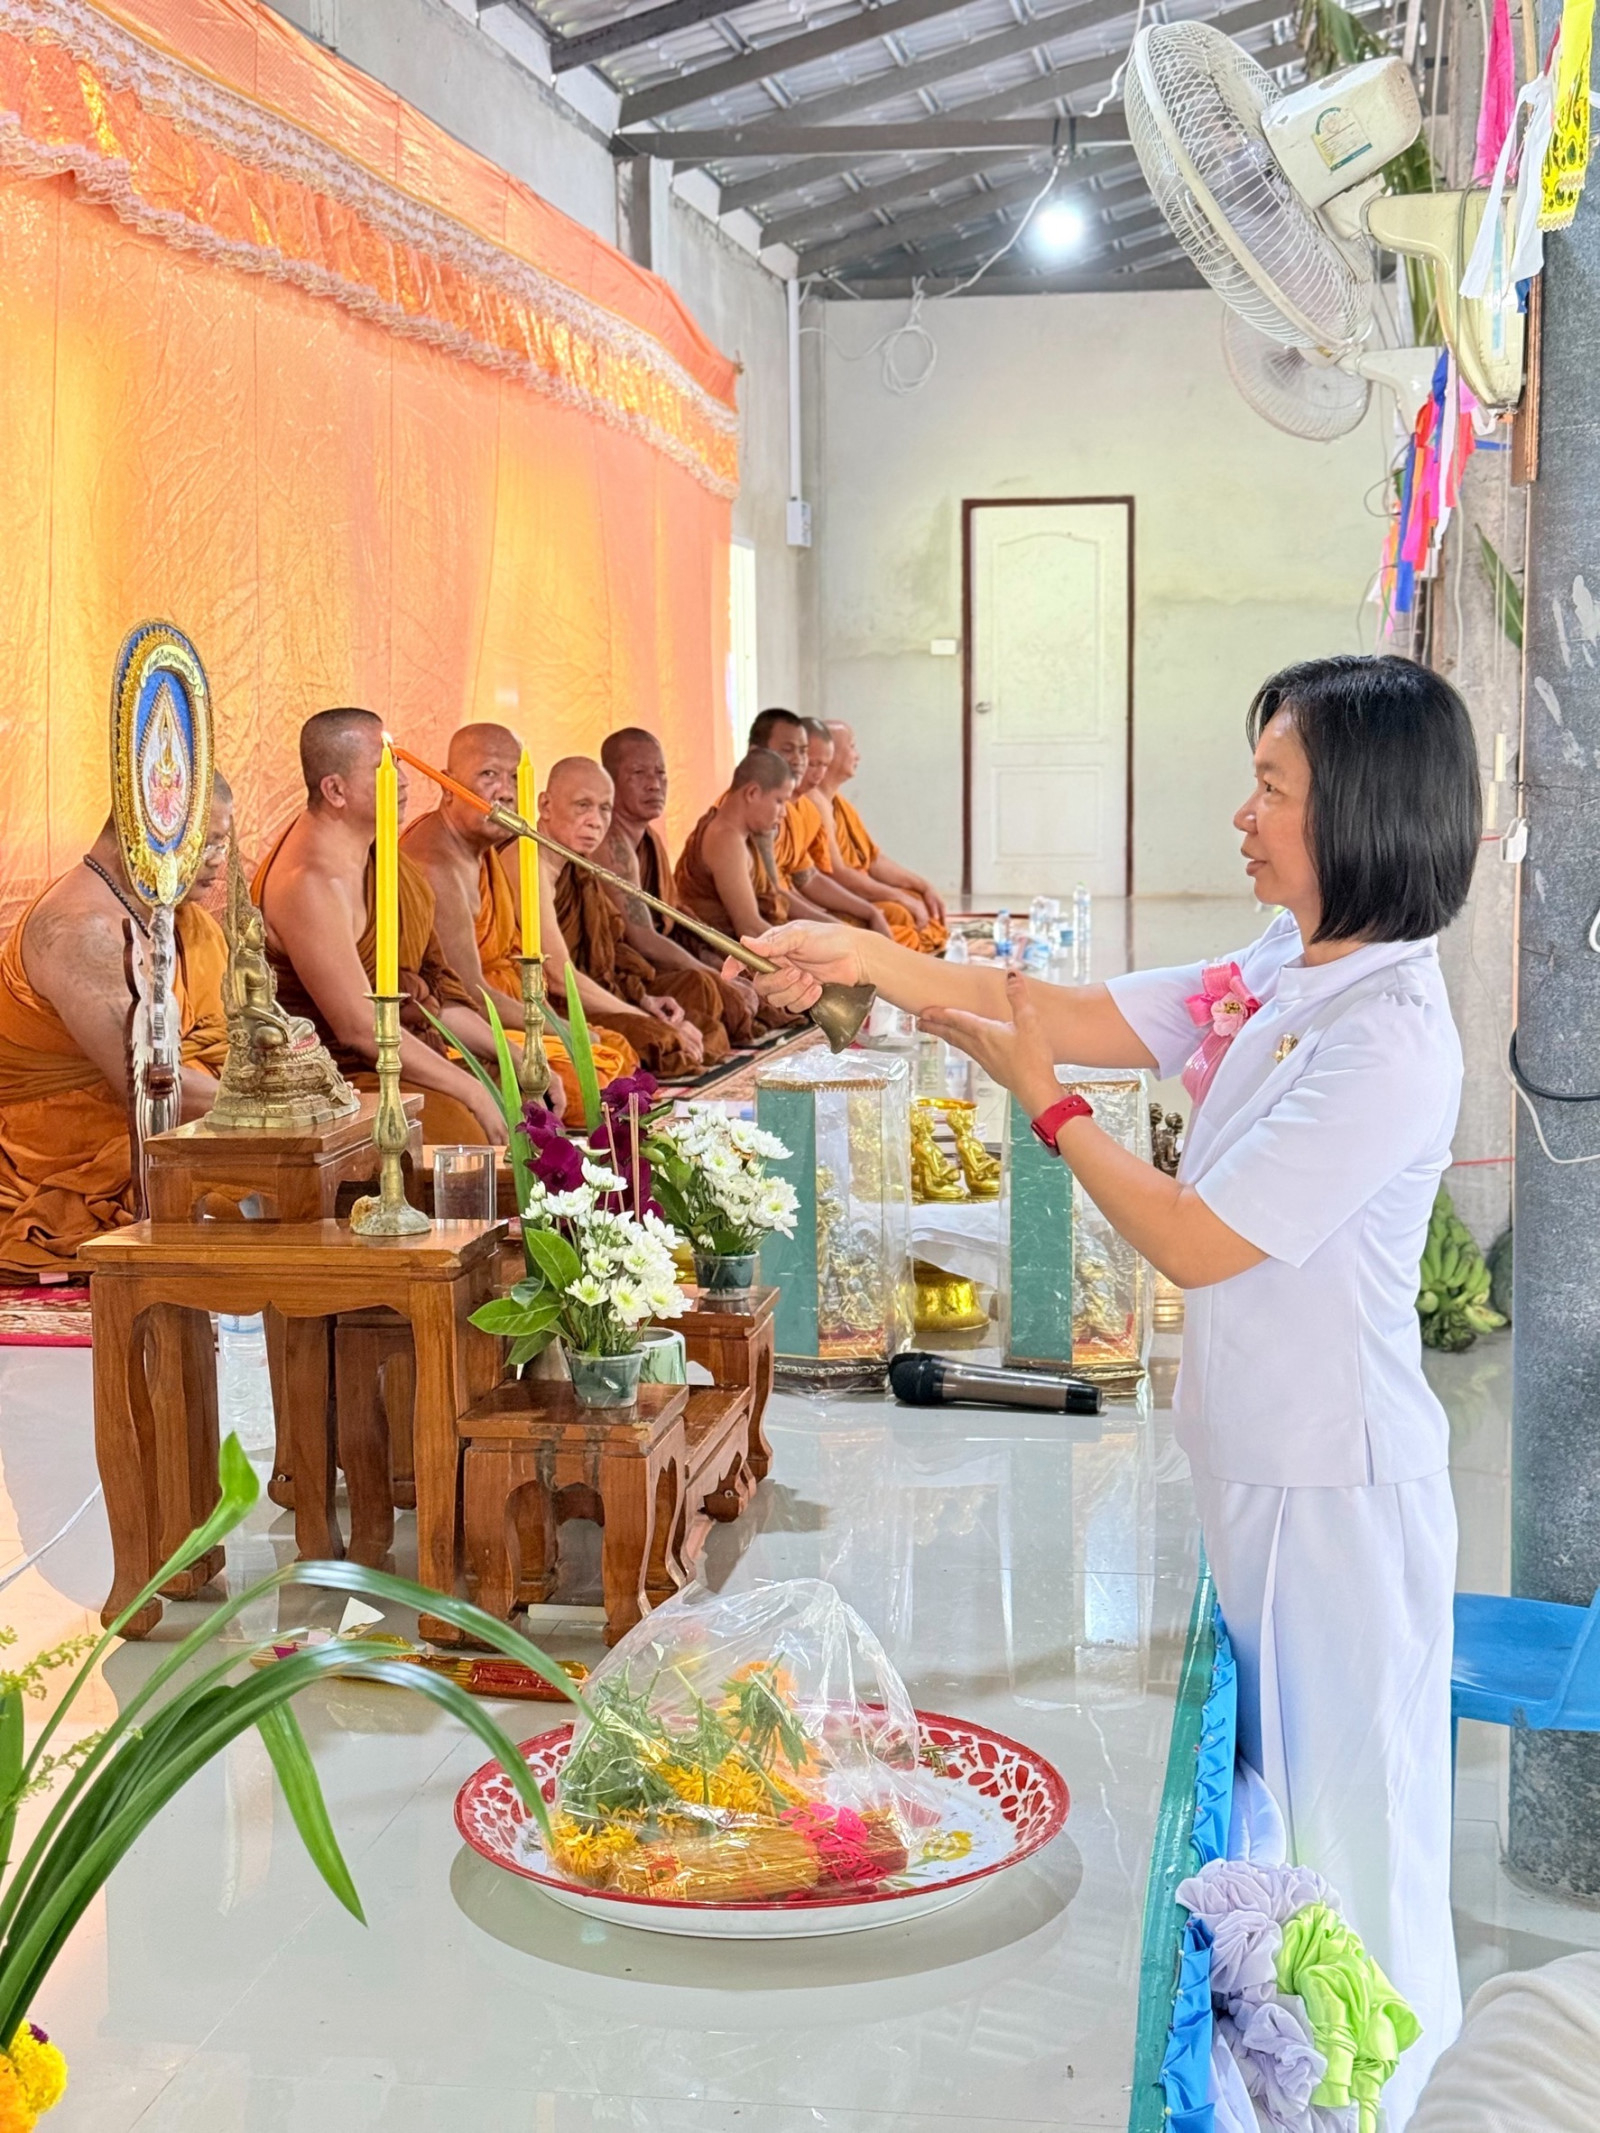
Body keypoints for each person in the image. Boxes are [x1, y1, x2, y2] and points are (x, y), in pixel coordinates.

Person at [741, 654, 1475, 2126]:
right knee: (1280, 1800)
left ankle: (1391, 2091)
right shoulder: (1286, 969)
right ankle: (1306, 2073)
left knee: (1355, 1816)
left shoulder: (1386, 1035)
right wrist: (871, 966)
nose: (1243, 817)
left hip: (1338, 1481)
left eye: (1275, 790)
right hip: (1265, 1462)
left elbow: (1198, 1241)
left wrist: (1049, 1103)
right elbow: (1062, 1007)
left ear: (1370, 816)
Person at [0, 776, 232, 1278]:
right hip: (76, 1161)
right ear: (146, 831)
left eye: (223, 842)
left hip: (191, 1119)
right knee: (259, 1209)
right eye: (208, 842)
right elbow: (152, 1089)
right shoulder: (82, 931)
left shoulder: (183, 919)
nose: (218, 859)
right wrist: (278, 1108)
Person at [254, 708, 507, 1146]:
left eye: (400, 763)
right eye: (384, 768)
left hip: (401, 1051)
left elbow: (431, 995)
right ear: (335, 790)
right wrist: (470, 1091)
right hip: (333, 1082)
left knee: (521, 1096)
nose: (404, 781)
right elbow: (358, 1028)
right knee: (466, 1133)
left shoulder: (383, 861)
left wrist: (511, 1055)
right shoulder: (310, 883)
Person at [399, 721, 638, 1124]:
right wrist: (561, 1031)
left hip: (512, 1011)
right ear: (446, 784)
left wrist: (561, 1028)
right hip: (461, 1030)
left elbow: (516, 960)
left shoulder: (482, 851)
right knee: (591, 1074)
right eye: (489, 775)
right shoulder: (435, 863)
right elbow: (470, 995)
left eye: (513, 776)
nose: (506, 791)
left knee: (612, 1053)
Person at [539, 757, 708, 1077]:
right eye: (582, 805)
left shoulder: (577, 867)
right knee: (657, 1043)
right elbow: (559, 978)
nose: (595, 821)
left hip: (583, 996)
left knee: (693, 1014)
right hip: (539, 1006)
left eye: (605, 808)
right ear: (545, 805)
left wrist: (643, 1000)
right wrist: (639, 1016)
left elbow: (608, 952)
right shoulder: (530, 863)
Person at [597, 727, 765, 1045]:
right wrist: (715, 975)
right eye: (638, 773)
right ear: (610, 780)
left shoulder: (651, 842)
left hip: (654, 969)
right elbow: (642, 938)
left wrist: (719, 964)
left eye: (661, 773)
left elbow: (673, 921)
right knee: (706, 992)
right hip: (620, 979)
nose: (654, 784)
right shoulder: (609, 845)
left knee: (740, 986)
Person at [798, 718, 938, 953]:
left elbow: (872, 859)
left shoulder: (840, 804)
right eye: (852, 746)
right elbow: (834, 873)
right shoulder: (812, 802)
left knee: (914, 900)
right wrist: (895, 899)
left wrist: (923, 886)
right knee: (901, 914)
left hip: (853, 892)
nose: (858, 755)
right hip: (834, 898)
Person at [750, 708, 893, 936]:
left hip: (787, 914)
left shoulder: (803, 810)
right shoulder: (748, 814)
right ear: (756, 753)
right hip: (761, 928)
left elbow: (807, 877)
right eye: (788, 751)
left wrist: (869, 912)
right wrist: (836, 928)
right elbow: (768, 897)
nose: (798, 761)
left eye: (803, 752)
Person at [674, 748, 794, 946]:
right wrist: (806, 949)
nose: (784, 813)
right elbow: (749, 928)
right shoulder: (726, 840)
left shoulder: (740, 835)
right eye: (779, 801)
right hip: (723, 955)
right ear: (752, 793)